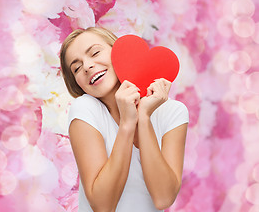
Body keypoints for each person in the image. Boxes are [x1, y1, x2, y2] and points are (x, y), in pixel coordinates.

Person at [60, 27, 189, 212]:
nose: (87, 66)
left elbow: (163, 198)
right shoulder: (85, 109)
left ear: (118, 51)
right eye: (77, 68)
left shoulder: (173, 112)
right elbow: (103, 206)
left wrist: (143, 118)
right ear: (77, 83)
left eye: (95, 52)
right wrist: (127, 124)